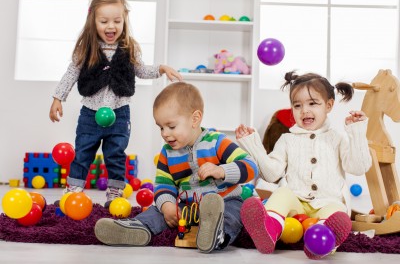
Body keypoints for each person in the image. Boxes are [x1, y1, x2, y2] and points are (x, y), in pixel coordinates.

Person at [49, 0, 182, 208]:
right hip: (90, 113)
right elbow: (71, 73)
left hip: (119, 114)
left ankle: (115, 192)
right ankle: (74, 190)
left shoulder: (129, 48)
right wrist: (58, 98)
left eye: (117, 21)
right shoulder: (86, 48)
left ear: (124, 20)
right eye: (104, 21)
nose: (111, 26)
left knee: (115, 154)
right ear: (93, 21)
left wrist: (161, 69)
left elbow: (141, 70)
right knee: (82, 152)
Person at [94, 82, 258, 253]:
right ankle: (138, 227)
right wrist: (167, 206)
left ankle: (217, 234)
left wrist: (222, 171)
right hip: (189, 208)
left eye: (171, 126)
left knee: (234, 212)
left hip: (225, 200)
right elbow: (164, 186)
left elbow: (250, 166)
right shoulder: (167, 153)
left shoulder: (217, 141)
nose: (165, 133)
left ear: (195, 119)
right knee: (157, 211)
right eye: (161, 127)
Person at [235, 71, 372, 260]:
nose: (304, 110)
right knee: (282, 193)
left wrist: (356, 132)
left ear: (329, 105)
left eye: (312, 103)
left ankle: (320, 243)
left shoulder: (337, 138)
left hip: (328, 202)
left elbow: (358, 167)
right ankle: (269, 229)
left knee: (337, 213)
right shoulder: (287, 139)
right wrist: (253, 145)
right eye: (297, 105)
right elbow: (272, 174)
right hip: (297, 204)